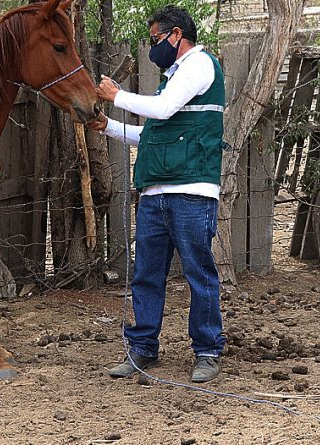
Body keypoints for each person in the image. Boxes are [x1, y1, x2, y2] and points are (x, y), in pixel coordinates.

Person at [86, 5, 227, 383]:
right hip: (156, 192)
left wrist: (116, 96)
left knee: (199, 274)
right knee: (147, 275)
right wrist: (107, 127)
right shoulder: (175, 76)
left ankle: (208, 351)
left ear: (177, 35)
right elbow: (150, 135)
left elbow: (161, 111)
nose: (153, 46)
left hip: (192, 190)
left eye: (156, 38)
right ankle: (143, 349)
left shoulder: (199, 66)